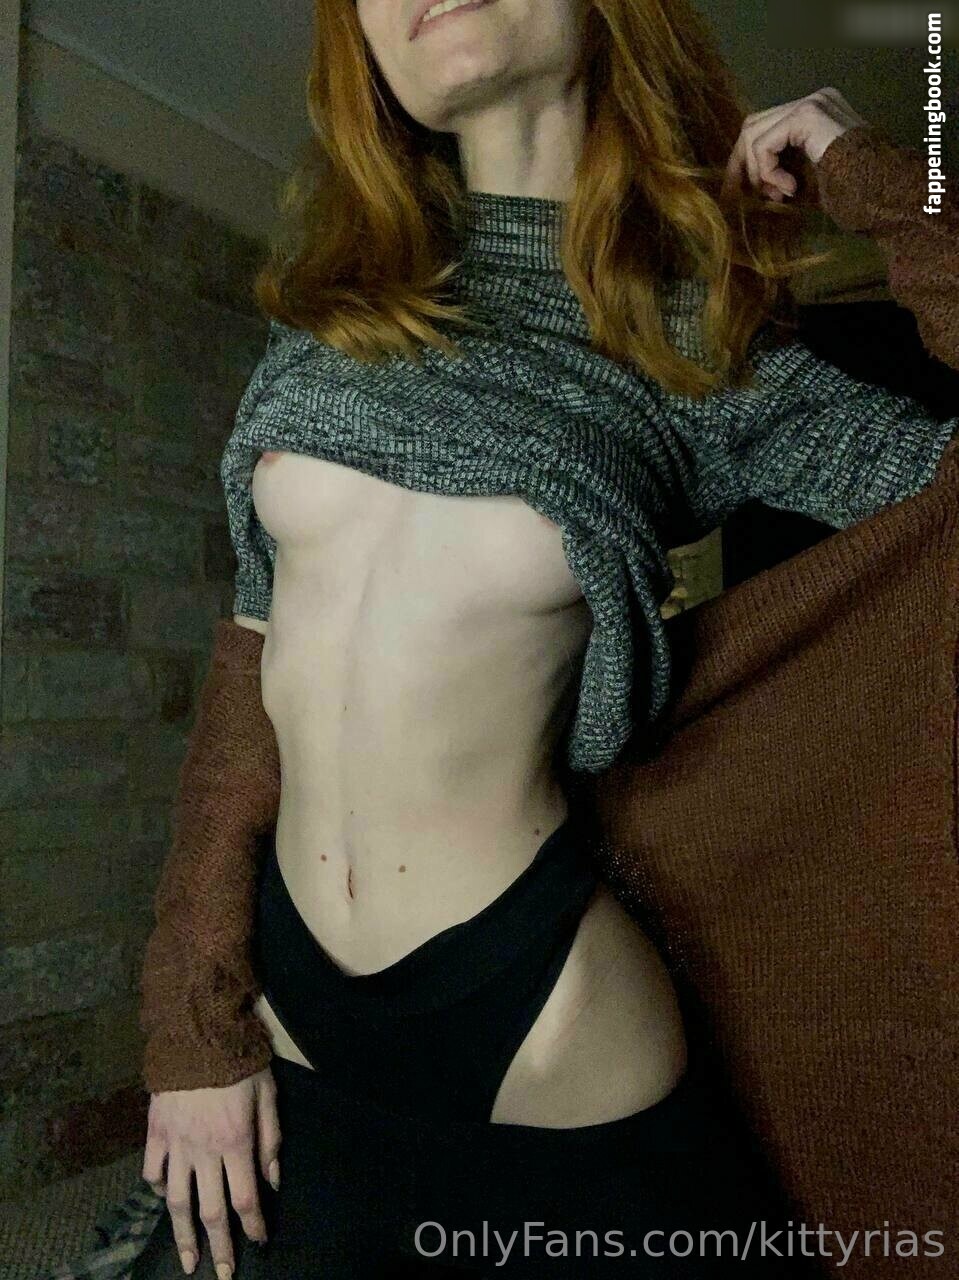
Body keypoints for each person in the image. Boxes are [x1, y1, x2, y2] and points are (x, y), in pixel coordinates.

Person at [53, 2, 955, 1279]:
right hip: (290, 986)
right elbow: (248, 680)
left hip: (538, 1009)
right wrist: (189, 1019)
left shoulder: (692, 341)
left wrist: (887, 174)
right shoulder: (328, 320)